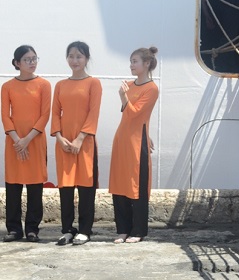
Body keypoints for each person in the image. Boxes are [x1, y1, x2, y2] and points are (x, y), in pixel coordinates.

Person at [51, 41, 102, 246]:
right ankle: (67, 229)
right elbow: (55, 113)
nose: (75, 60)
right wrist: (59, 137)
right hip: (64, 143)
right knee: (65, 187)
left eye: (79, 56)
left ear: (87, 59)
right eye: (71, 56)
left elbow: (94, 112)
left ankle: (85, 230)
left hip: (85, 143)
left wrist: (80, 138)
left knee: (85, 186)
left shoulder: (93, 83)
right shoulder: (60, 85)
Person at [109, 47, 159, 244]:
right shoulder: (129, 85)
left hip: (137, 142)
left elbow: (136, 113)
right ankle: (122, 229)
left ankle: (138, 230)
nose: (131, 65)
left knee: (137, 185)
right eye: (131, 61)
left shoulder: (152, 88)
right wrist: (124, 97)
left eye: (135, 61)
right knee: (119, 183)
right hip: (122, 139)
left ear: (146, 64)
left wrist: (123, 97)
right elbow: (128, 116)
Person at [1, 46, 51, 243]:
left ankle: (32, 229)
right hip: (13, 143)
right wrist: (17, 141)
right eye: (27, 59)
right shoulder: (7, 87)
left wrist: (27, 140)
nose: (32, 62)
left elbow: (44, 115)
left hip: (35, 141)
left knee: (35, 185)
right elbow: (5, 115)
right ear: (17, 63)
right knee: (13, 186)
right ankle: (14, 229)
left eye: (34, 58)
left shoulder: (44, 85)